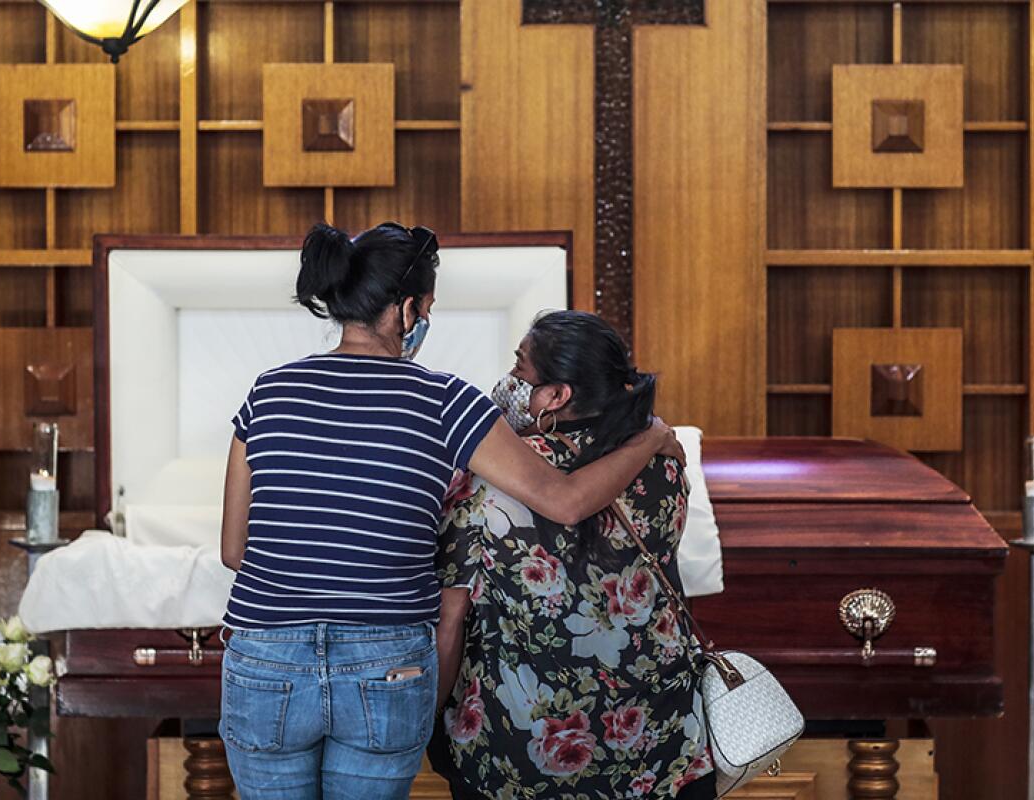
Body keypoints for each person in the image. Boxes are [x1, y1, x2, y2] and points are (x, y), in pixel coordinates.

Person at [217, 222, 685, 800]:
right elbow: (566, 501)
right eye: (428, 306)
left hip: (266, 654)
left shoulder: (268, 393)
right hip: (384, 661)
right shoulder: (446, 400)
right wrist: (651, 437)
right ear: (407, 310)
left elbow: (234, 550)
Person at [429, 310, 716, 800]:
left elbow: (450, 619)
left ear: (557, 396)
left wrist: (429, 717)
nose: (511, 382)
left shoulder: (490, 479)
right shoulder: (663, 463)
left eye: (521, 371)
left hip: (518, 749)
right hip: (656, 738)